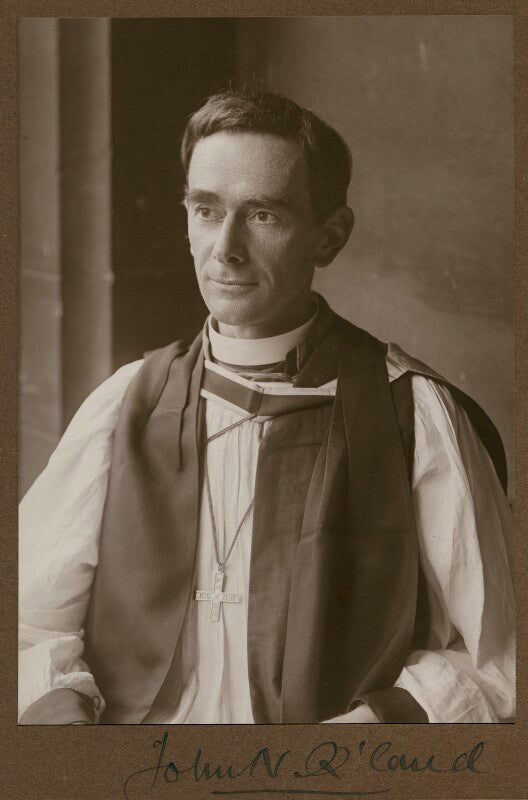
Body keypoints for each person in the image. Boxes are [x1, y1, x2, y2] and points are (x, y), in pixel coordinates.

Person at [18, 89, 514, 725]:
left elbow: (499, 658)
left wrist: (353, 743)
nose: (225, 249)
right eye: (206, 210)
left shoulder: (411, 414)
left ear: (329, 237)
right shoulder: (127, 404)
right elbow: (28, 622)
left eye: (263, 216)